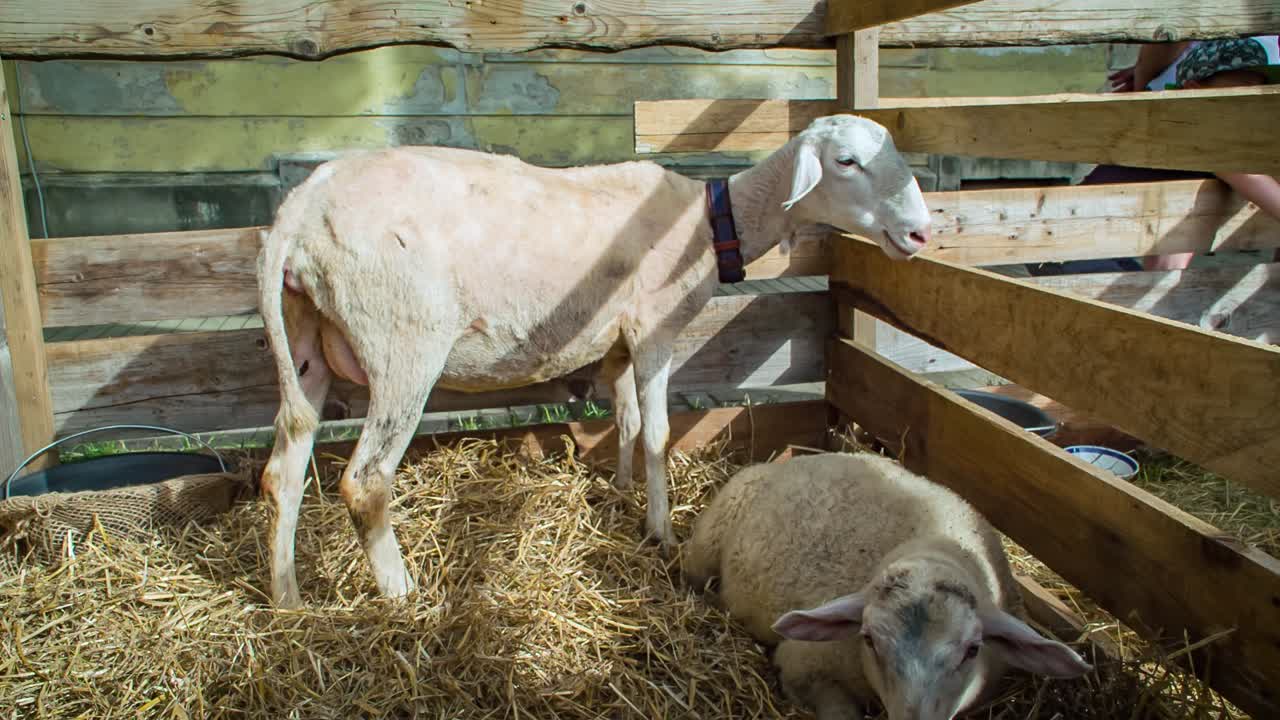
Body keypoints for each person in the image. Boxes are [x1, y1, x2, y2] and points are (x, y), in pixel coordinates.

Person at [1027, 36, 1280, 277]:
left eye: (1261, 92)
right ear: (1194, 90)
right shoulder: (1206, 138)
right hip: (1063, 250)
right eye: (1243, 91)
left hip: (1067, 247)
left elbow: (1172, 250)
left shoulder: (1196, 130)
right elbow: (1260, 187)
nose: (1253, 103)